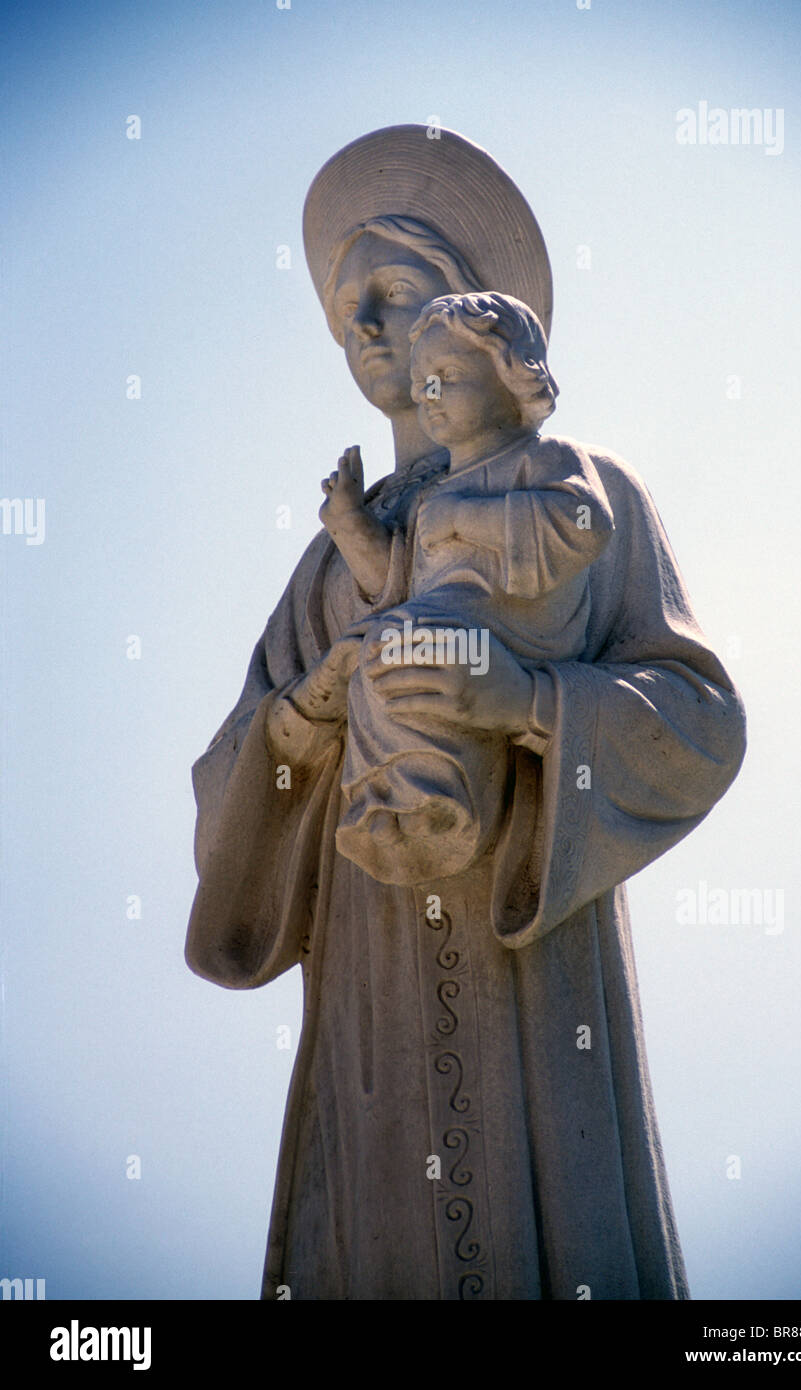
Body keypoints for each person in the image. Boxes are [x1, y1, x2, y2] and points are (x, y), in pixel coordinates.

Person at [185, 125, 746, 1300]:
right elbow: (232, 786)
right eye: (347, 317)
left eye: (391, 292)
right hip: (368, 975)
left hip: (528, 945)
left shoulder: (578, 488)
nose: (368, 333)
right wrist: (308, 715)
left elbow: (695, 714)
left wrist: (530, 702)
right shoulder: (329, 570)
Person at [322, 291, 614, 886]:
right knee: (387, 651)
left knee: (427, 653)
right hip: (441, 629)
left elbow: (587, 524)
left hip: (518, 635)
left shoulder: (543, 457)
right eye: (421, 381)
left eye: (447, 378)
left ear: (510, 376)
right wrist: (352, 527)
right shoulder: (431, 497)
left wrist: (470, 519)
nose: (428, 397)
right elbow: (400, 583)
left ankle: (441, 802)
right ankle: (385, 804)